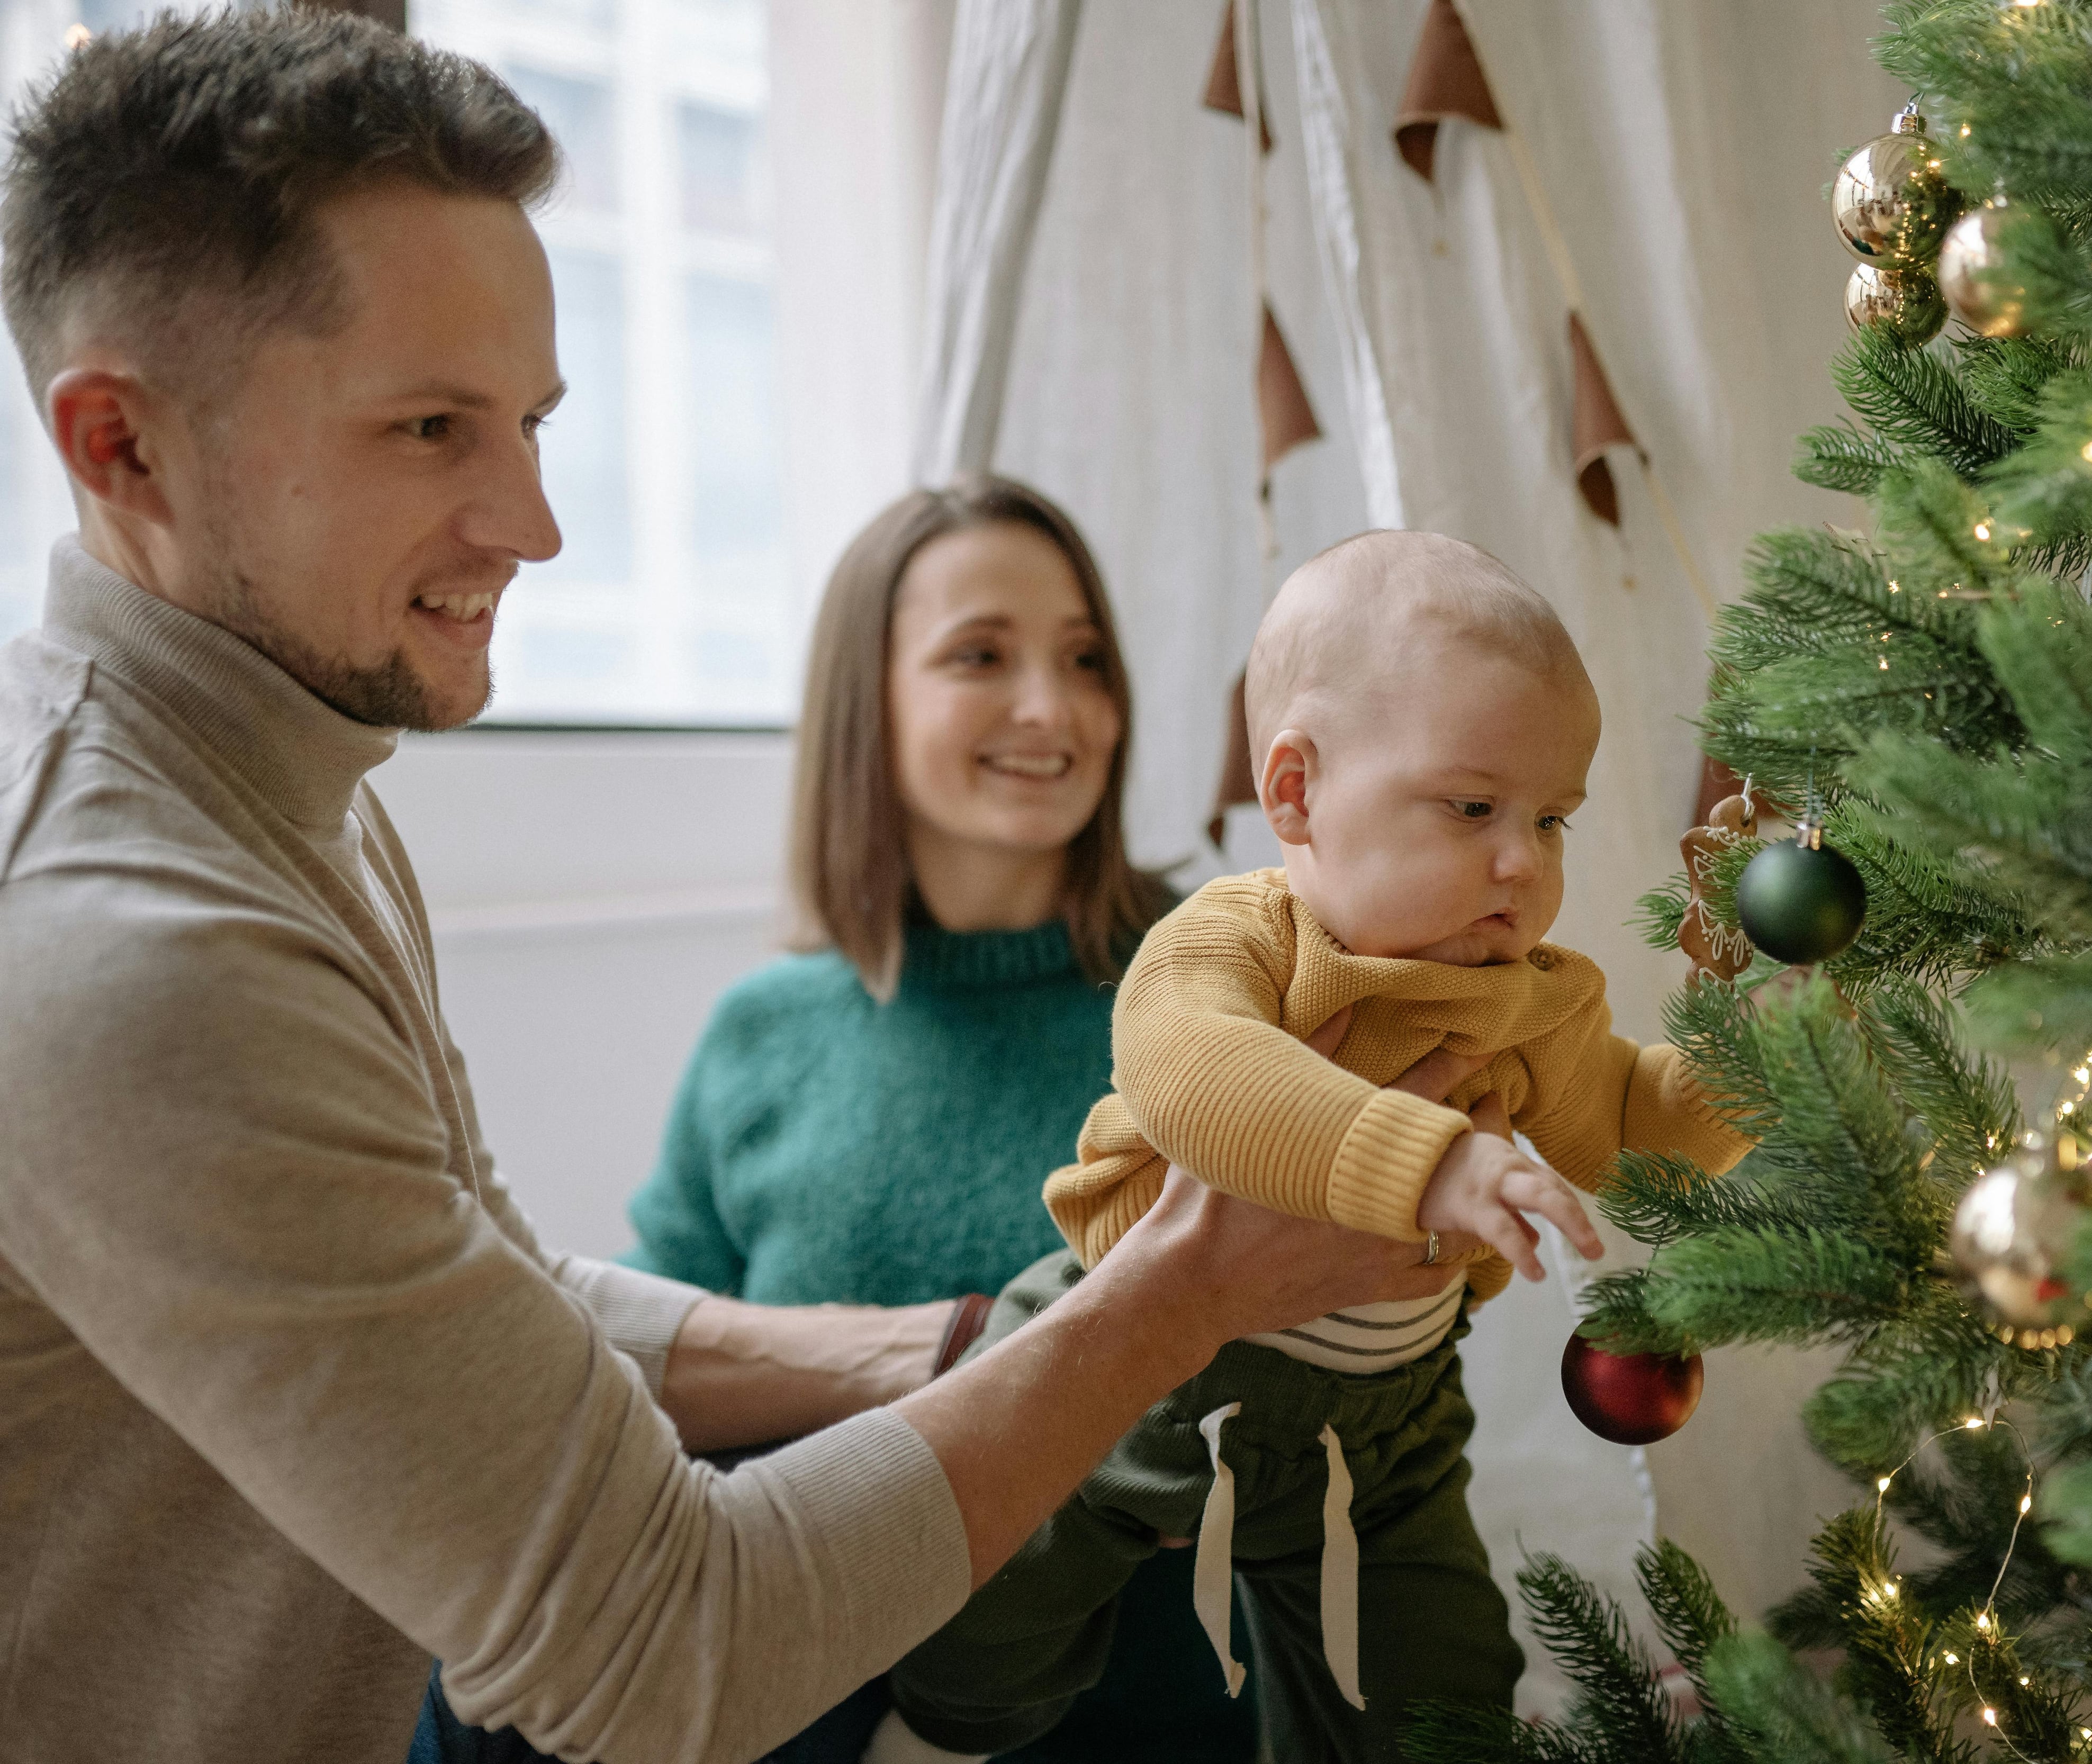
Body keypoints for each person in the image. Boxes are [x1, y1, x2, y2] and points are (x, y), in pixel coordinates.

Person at [0, 16, 1455, 1762]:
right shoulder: (139, 939)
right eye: (428, 427)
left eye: (531, 421)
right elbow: (658, 1650)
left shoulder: (291, 778)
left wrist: (937, 1345)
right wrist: (1174, 1292)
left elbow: (512, 1284)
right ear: (124, 449)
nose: (534, 521)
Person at [882, 533, 1756, 1763]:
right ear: (1294, 793)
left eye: (1551, 817)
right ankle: (927, 1739)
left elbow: (1629, 1131)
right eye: (1471, 805)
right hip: (1128, 1367)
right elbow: (1201, 1080)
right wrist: (1434, 1162)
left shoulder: (1531, 997)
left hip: (1383, 1427)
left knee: (1436, 1685)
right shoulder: (1238, 940)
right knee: (981, 1620)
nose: (1523, 859)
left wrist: (1772, 1047)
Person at [420, 478, 1256, 1762]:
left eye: (1085, 657)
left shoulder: (1215, 991)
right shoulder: (763, 1033)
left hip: (1119, 1703)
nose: (1053, 707)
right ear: (870, 697)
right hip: (794, 1694)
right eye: (982, 654)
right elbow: (652, 1397)